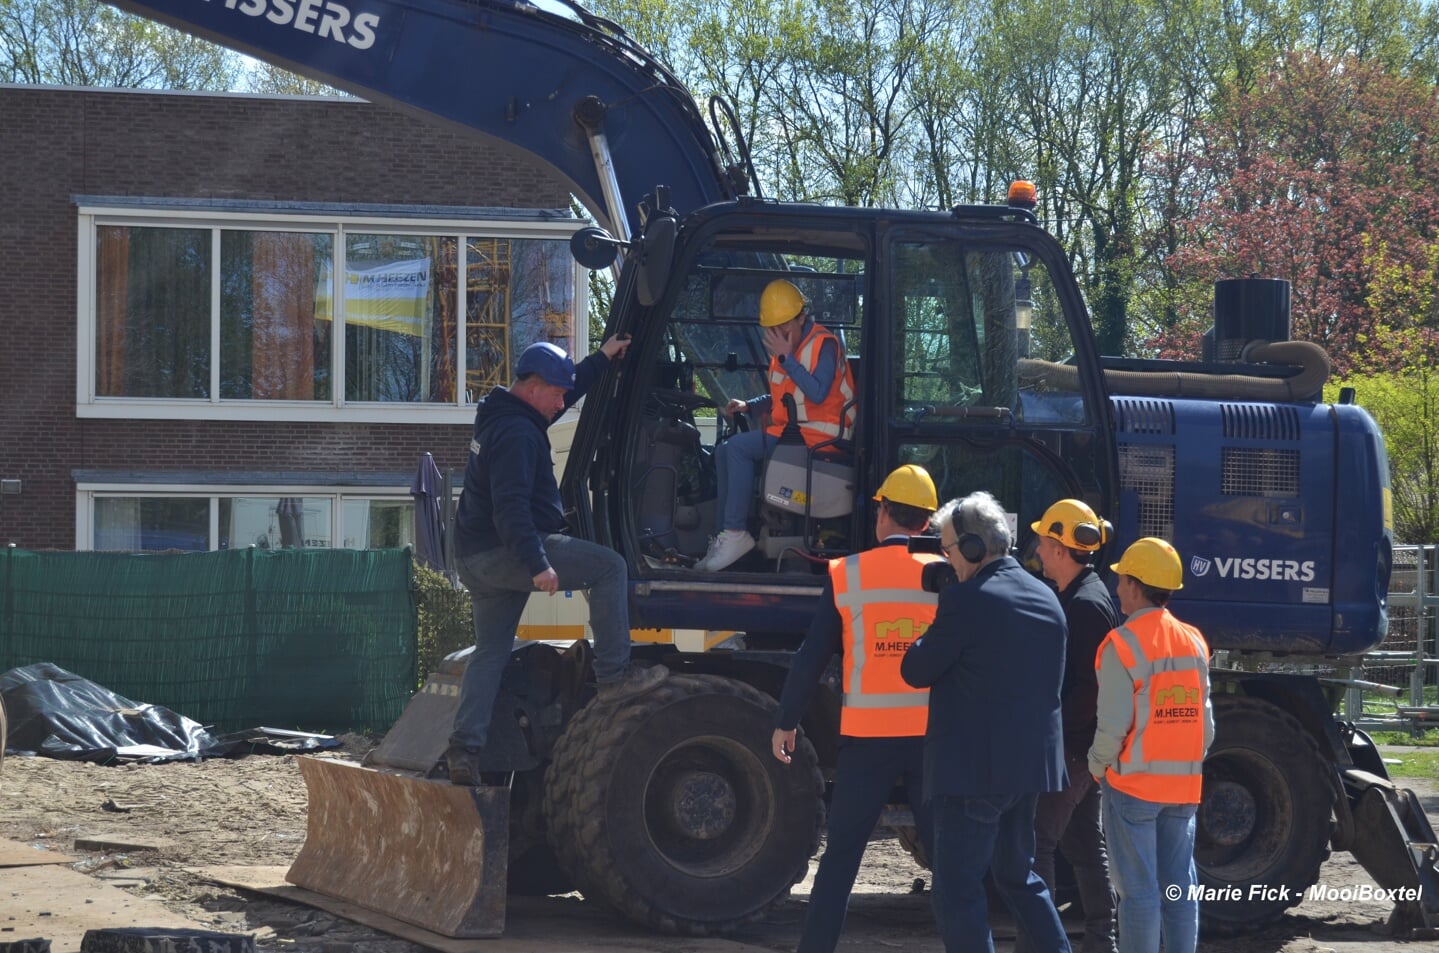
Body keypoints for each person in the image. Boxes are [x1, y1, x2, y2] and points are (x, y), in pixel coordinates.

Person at [446, 338, 668, 785]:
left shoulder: (506, 415)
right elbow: (509, 509)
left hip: (475, 557)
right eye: (557, 395)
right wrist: (537, 563)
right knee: (609, 567)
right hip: (507, 550)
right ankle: (614, 679)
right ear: (533, 388)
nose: (562, 403)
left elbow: (570, 386)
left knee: (490, 652)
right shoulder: (517, 434)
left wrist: (601, 359)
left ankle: (464, 750)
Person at [771, 464, 943, 953]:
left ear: (882, 513)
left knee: (843, 857)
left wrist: (786, 721)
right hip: (932, 737)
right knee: (949, 858)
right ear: (926, 523)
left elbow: (812, 656)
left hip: (868, 741)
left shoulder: (848, 574)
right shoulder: (946, 577)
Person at [900, 491, 1072, 953]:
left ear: (974, 548)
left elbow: (915, 669)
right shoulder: (1047, 598)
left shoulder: (965, 602)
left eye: (949, 548)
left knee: (956, 891)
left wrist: (942, 610)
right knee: (1018, 878)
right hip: (1029, 770)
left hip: (973, 773)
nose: (947, 557)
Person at [1088, 538, 1213, 953]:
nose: (1117, 587)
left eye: (1122, 579)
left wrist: (1097, 765)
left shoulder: (1120, 645)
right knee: (1179, 886)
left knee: (1138, 892)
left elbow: (1113, 726)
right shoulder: (1194, 640)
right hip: (1183, 789)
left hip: (1133, 788)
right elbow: (1206, 726)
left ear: (1136, 586)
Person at [696, 278, 856, 571]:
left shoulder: (824, 345)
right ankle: (723, 538)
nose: (778, 336)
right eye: (772, 331)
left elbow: (818, 392)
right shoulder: (791, 352)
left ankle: (735, 533)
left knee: (738, 449)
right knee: (723, 450)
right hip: (794, 434)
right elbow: (785, 395)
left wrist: (785, 357)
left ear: (801, 318)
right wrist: (750, 405)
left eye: (784, 329)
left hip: (821, 437)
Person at [1023, 500, 1119, 953]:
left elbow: (1092, 688)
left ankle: (1041, 943)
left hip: (1072, 749)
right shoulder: (1079, 594)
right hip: (1080, 748)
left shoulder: (1085, 605)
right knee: (1083, 844)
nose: (1038, 550)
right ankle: (1102, 941)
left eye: (1044, 541)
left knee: (1036, 846)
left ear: (1062, 548)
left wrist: (1054, 734)